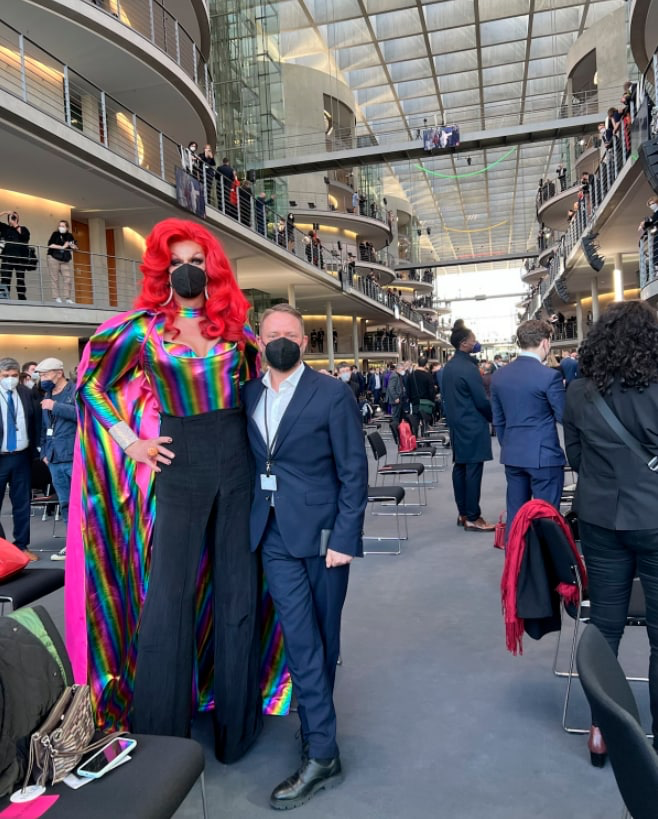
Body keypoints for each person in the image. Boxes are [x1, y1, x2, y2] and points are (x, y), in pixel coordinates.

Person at [66, 218, 278, 762]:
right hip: (178, 463)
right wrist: (130, 441)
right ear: (163, 269)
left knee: (237, 591)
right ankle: (161, 737)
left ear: (213, 268)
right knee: (169, 596)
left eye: (196, 261)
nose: (187, 270)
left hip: (238, 463)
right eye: (177, 262)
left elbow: (265, 398)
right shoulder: (142, 330)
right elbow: (90, 383)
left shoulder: (236, 332)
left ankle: (237, 729)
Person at [243, 303, 368, 810]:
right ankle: (323, 749)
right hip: (271, 533)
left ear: (304, 342)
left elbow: (353, 471)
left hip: (322, 536)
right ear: (259, 341)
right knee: (300, 639)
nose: (280, 340)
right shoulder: (249, 394)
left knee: (323, 637)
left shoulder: (332, 393)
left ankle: (318, 731)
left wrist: (345, 538)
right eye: (271, 333)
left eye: (289, 334)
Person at [563, 300, 658, 765]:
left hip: (599, 520)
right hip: (654, 518)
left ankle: (601, 730)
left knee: (605, 626)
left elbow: (576, 458)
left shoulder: (579, 391)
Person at [490, 320, 565, 537]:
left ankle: (516, 557)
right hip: (544, 456)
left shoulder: (499, 376)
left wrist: (510, 445)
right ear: (544, 342)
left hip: (513, 454)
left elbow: (499, 421)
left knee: (516, 516)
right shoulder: (549, 376)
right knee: (546, 518)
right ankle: (545, 559)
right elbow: (564, 416)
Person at [441, 322, 495, 532]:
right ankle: (473, 517)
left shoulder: (449, 367)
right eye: (473, 340)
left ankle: (463, 513)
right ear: (464, 343)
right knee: (473, 469)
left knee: (460, 467)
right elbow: (481, 400)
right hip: (472, 424)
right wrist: (493, 417)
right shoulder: (469, 368)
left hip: (456, 423)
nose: (476, 342)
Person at [34, 357, 76, 560]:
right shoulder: (48, 394)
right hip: (54, 459)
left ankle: (89, 543)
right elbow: (44, 428)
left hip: (74, 457)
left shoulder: (75, 391)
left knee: (81, 503)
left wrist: (55, 406)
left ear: (59, 373)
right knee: (65, 503)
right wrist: (44, 453)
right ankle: (72, 544)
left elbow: (83, 415)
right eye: (41, 375)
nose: (42, 379)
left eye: (45, 374)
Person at [0, 356, 40, 561]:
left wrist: (38, 448)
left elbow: (36, 422)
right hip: (0, 457)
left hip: (22, 457)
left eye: (14, 375)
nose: (10, 379)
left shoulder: (27, 393)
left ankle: (22, 546)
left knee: (22, 504)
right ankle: (2, 550)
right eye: (5, 376)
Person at [0, 211, 30, 300]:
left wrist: (15, 225)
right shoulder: (5, 228)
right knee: (5, 279)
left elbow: (25, 237)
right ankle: (4, 298)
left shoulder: (23, 228)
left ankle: (22, 299)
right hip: (7, 257)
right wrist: (5, 212)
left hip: (20, 258)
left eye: (15, 217)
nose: (13, 218)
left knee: (20, 279)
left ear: (18, 219)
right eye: (11, 217)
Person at [46, 219, 77, 303]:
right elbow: (50, 245)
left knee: (68, 278)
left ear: (67, 228)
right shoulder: (55, 234)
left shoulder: (69, 236)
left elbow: (74, 247)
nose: (61, 227)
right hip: (53, 257)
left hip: (65, 259)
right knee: (54, 278)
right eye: (60, 226)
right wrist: (63, 247)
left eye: (63, 226)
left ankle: (67, 298)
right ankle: (56, 297)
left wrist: (73, 246)